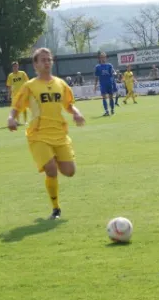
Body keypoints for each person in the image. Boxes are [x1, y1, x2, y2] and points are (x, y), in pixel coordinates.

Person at [7, 48, 85, 220]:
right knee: (51, 170)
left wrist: (77, 113)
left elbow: (69, 105)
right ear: (35, 64)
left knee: (70, 171)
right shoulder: (30, 86)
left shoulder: (61, 84)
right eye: (42, 60)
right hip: (38, 134)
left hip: (59, 134)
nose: (47, 62)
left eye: (49, 59)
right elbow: (16, 106)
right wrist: (11, 118)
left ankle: (53, 157)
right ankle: (56, 209)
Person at [94, 52, 116, 116]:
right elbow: (96, 77)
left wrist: (114, 73)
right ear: (100, 58)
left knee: (111, 97)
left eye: (104, 57)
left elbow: (113, 71)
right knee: (104, 97)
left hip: (110, 83)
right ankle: (106, 111)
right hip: (103, 84)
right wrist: (95, 86)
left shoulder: (109, 65)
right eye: (102, 57)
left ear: (106, 58)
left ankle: (112, 110)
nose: (103, 58)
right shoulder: (97, 67)